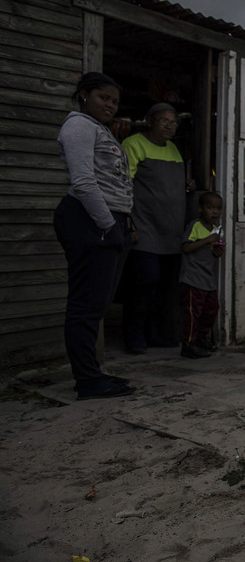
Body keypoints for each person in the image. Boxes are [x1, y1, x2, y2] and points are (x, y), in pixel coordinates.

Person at [53, 72, 136, 400]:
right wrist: (106, 225)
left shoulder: (101, 130)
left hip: (108, 220)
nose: (111, 106)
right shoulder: (78, 126)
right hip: (88, 219)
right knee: (86, 306)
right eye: (104, 98)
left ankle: (92, 373)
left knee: (97, 304)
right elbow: (83, 182)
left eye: (115, 101)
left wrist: (123, 223)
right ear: (84, 95)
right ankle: (87, 380)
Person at [121, 103, 194, 353]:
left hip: (171, 231)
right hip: (146, 229)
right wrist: (127, 222)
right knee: (144, 284)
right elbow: (123, 185)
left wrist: (187, 184)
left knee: (165, 288)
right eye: (164, 121)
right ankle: (134, 336)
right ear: (149, 120)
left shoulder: (174, 149)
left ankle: (155, 334)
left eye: (174, 122)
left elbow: (169, 183)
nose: (170, 126)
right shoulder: (133, 145)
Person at [178, 191, 225, 359]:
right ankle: (189, 344)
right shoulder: (195, 226)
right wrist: (207, 240)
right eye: (210, 208)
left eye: (218, 208)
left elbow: (216, 252)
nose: (215, 212)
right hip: (193, 278)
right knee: (192, 312)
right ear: (200, 209)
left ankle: (202, 338)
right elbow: (186, 247)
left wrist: (218, 249)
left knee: (211, 309)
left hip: (208, 278)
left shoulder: (216, 230)